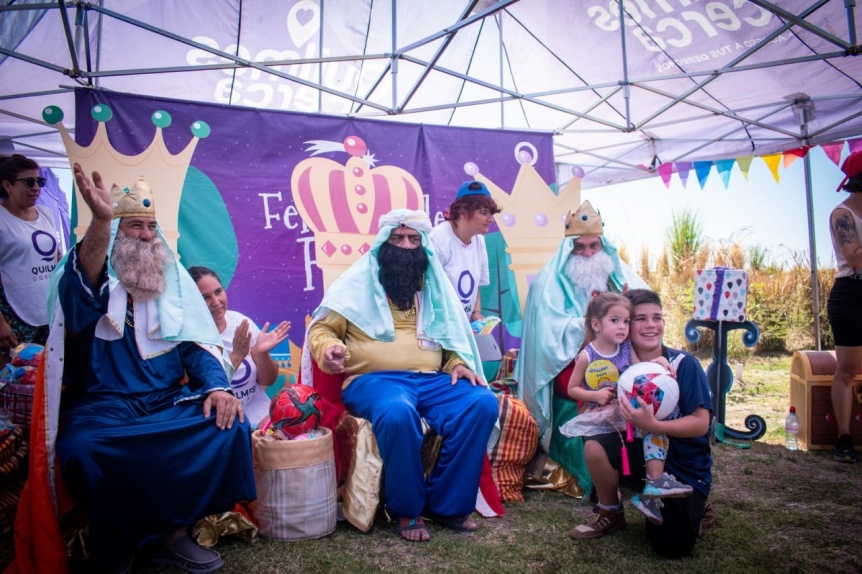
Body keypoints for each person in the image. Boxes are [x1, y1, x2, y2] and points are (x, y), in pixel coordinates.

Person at [13, 165, 257, 574]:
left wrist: (218, 387)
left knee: (227, 425)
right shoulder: (92, 283)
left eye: (150, 227)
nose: (145, 235)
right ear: (113, 236)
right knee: (85, 450)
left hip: (164, 404)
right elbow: (80, 293)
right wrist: (102, 221)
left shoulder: (172, 287)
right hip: (100, 407)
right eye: (133, 226)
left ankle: (171, 535)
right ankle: (119, 543)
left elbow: (197, 350)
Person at [306, 208, 498, 543]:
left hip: (431, 378)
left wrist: (455, 363)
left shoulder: (434, 286)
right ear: (383, 243)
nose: (405, 245)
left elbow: (451, 336)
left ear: (423, 245)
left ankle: (448, 505)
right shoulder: (355, 283)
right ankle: (407, 509)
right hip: (373, 381)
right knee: (397, 411)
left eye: (413, 239)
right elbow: (322, 330)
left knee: (481, 402)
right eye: (397, 238)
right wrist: (329, 349)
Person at [568, 289, 712, 559]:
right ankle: (610, 511)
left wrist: (653, 424)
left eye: (657, 318)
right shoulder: (615, 366)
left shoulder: (683, 365)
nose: (650, 325)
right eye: (639, 318)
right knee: (596, 444)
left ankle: (695, 501)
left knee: (671, 545)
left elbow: (700, 424)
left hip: (681, 463)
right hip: (640, 454)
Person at [515, 200, 645, 493]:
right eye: (579, 247)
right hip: (570, 365)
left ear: (604, 247)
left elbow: (644, 318)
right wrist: (595, 324)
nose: (587, 254)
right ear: (568, 249)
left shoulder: (618, 278)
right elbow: (548, 337)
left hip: (617, 359)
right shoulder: (545, 284)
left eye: (594, 247)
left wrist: (627, 307)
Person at [189, 266, 291, 427]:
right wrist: (236, 356)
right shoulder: (190, 339)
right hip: (223, 422)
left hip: (262, 416)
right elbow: (203, 391)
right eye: (205, 297)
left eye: (218, 292)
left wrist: (263, 354)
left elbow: (268, 380)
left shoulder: (240, 322)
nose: (216, 302)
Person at [0, 154, 62, 362]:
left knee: (42, 377)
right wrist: (0, 323)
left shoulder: (46, 214)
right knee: (10, 378)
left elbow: (56, 258)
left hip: (47, 311)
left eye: (39, 181)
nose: (36, 187)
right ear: (7, 186)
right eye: (29, 182)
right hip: (13, 315)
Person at [827, 149, 862, 463]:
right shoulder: (843, 214)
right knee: (848, 370)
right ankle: (843, 439)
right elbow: (855, 256)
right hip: (851, 293)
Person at [429, 181, 501, 321]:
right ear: (462, 212)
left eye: (491, 213)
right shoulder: (437, 241)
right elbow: (426, 293)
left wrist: (475, 313)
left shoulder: (479, 241)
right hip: (439, 327)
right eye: (484, 213)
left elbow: (477, 284)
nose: (490, 219)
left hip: (462, 326)